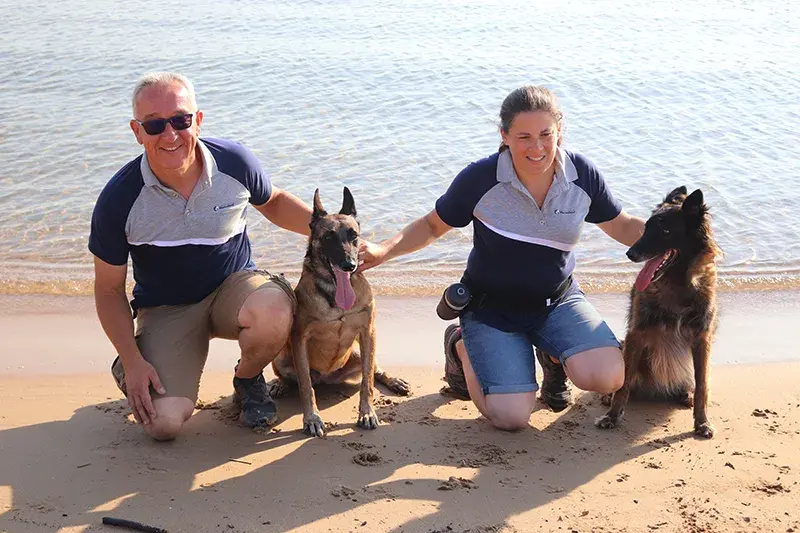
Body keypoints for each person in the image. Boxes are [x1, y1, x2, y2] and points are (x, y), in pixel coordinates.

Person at [359, 85, 645, 431]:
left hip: (558, 301)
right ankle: (461, 346)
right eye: (523, 136)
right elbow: (432, 226)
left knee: (609, 375)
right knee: (511, 418)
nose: (537, 147)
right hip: (491, 309)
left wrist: (681, 239)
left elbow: (621, 225)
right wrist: (382, 250)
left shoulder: (581, 175)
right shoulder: (481, 178)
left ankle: (553, 356)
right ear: (504, 136)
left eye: (545, 134)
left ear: (560, 131)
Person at [89, 72, 312, 441]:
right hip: (167, 308)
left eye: (180, 120)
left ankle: (248, 379)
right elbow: (109, 291)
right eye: (155, 124)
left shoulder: (234, 162)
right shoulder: (119, 199)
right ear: (137, 131)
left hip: (234, 288)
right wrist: (132, 360)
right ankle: (136, 362)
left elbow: (272, 202)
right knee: (164, 425)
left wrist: (329, 232)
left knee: (274, 311)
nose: (170, 134)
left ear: (198, 120)